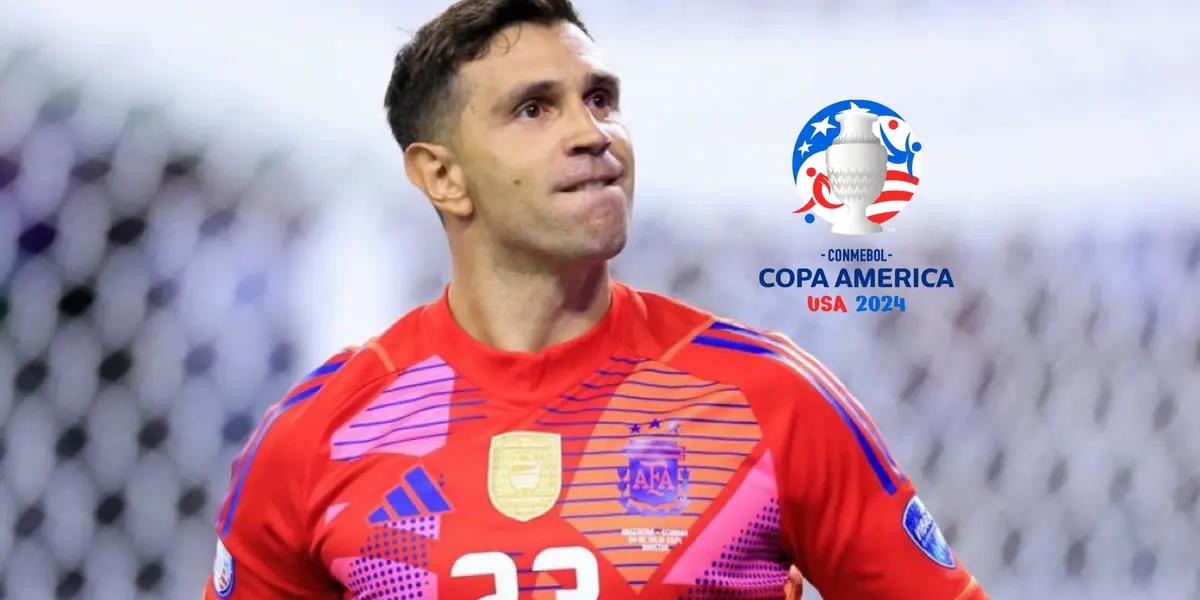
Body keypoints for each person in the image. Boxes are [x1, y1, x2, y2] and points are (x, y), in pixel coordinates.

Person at [204, 0, 988, 598]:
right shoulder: (317, 437)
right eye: (534, 109)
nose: (593, 134)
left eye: (601, 99)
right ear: (441, 176)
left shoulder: (768, 399)